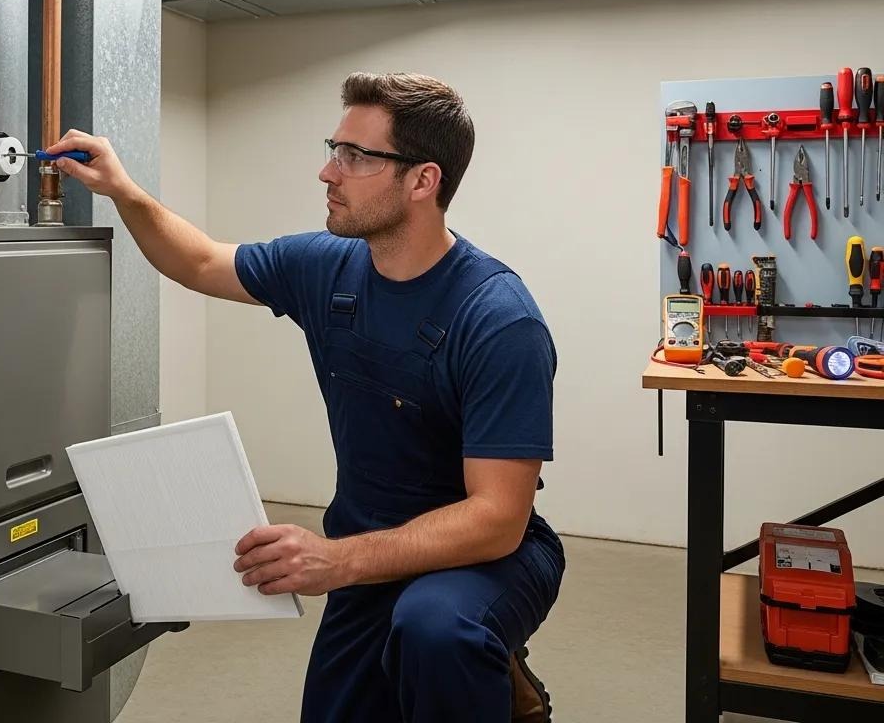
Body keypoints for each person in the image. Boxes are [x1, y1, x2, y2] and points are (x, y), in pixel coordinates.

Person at [51, 72, 563, 723]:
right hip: (366, 553)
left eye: (356, 157)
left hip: (486, 559)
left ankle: (491, 675)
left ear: (422, 181)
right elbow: (202, 262)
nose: (328, 172)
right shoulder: (327, 267)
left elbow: (498, 518)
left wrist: (335, 559)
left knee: (436, 631)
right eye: (334, 148)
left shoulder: (498, 320)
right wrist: (122, 191)